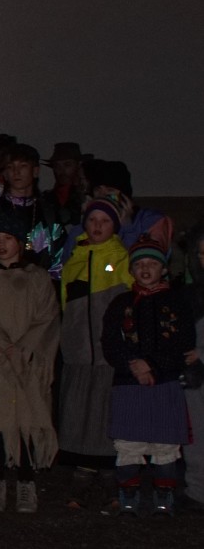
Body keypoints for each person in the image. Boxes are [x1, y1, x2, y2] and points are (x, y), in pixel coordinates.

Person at [0, 204, 61, 513]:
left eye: (7, 238)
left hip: (27, 365)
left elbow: (47, 318)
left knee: (28, 421)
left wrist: (24, 348)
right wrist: (2, 348)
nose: (1, 244)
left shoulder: (37, 278)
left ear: (20, 241)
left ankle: (26, 482)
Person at [101, 240, 194, 517]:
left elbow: (183, 342)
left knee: (165, 443)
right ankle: (128, 495)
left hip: (164, 382)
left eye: (152, 264)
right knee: (129, 443)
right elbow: (110, 343)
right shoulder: (121, 304)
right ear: (131, 270)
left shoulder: (177, 303)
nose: (145, 269)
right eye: (139, 264)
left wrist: (152, 365)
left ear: (163, 269)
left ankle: (164, 496)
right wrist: (134, 366)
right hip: (129, 384)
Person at [58, 198, 134, 503]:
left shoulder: (121, 257)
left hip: (108, 354)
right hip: (79, 352)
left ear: (115, 225)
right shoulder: (74, 259)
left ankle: (108, 469)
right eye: (92, 220)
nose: (98, 226)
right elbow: (66, 305)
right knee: (80, 409)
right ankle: (83, 466)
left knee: (105, 410)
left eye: (105, 221)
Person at [0, 144, 71, 272]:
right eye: (10, 167)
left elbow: (60, 259)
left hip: (40, 282)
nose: (16, 172)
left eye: (23, 166)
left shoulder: (48, 213)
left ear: (35, 171)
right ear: (5, 174)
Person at [87, 160, 174, 255]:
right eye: (98, 190)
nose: (102, 195)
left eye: (110, 190)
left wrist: (127, 228)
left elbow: (148, 260)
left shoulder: (152, 220)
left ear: (124, 195)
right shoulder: (90, 222)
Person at [175, 226, 204, 508]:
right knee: (196, 433)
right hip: (196, 375)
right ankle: (197, 490)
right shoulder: (191, 294)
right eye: (201, 254)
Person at [46, 142, 86, 213]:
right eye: (57, 166)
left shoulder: (88, 197)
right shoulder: (46, 199)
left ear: (79, 165)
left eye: (67, 165)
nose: (61, 170)